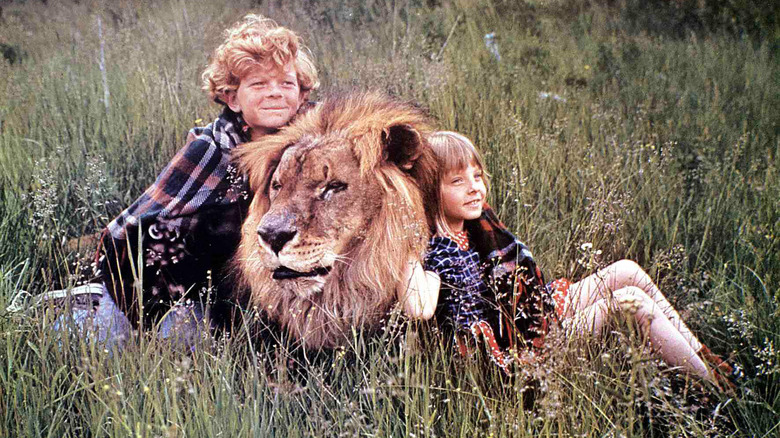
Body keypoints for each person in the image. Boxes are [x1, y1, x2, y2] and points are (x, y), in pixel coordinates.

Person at [36, 14, 319, 337]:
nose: (275, 93)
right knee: (124, 342)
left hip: (257, 277)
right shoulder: (211, 150)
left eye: (287, 83)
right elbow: (131, 225)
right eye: (259, 84)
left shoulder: (314, 145)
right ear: (232, 98)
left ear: (301, 93)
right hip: (177, 281)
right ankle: (80, 308)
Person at [398, 131, 733, 389]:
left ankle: (706, 361)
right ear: (429, 192)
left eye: (477, 176)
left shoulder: (476, 227)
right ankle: (713, 392)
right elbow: (418, 307)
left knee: (626, 270)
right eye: (458, 181)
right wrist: (404, 244)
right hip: (513, 357)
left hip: (527, 320)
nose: (475, 188)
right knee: (628, 302)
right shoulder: (438, 252)